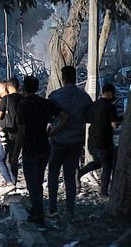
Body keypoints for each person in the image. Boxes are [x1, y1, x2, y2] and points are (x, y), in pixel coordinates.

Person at [12, 76, 69, 226]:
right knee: (38, 180)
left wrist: (15, 154)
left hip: (30, 148)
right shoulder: (45, 103)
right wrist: (54, 132)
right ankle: (36, 210)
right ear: (37, 88)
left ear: (24, 88)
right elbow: (65, 117)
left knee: (32, 183)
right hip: (44, 146)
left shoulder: (23, 105)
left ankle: (38, 215)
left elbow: (22, 131)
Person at [47, 66, 92, 219]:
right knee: (70, 176)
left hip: (57, 142)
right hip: (75, 143)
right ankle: (70, 209)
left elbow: (49, 118)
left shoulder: (55, 96)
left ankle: (52, 206)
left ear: (63, 78)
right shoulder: (84, 97)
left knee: (53, 174)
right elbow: (89, 118)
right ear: (75, 78)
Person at [77, 83, 120, 197]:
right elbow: (114, 125)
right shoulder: (110, 107)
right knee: (107, 167)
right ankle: (103, 192)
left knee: (98, 162)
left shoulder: (94, 105)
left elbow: (88, 119)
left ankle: (80, 172)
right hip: (104, 141)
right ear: (110, 93)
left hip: (92, 141)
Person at [0, 77, 23, 189]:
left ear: (8, 87)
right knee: (13, 159)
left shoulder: (6, 99)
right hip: (21, 133)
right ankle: (13, 182)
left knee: (0, 158)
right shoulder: (23, 98)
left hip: (7, 134)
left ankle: (9, 182)